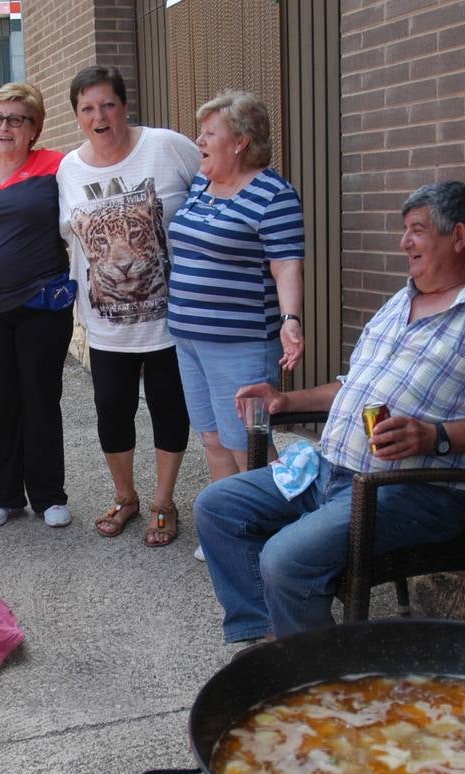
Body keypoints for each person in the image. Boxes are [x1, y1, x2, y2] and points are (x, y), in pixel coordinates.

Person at [195, 182, 465, 643]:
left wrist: (435, 437)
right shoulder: (399, 302)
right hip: (329, 471)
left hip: (413, 491)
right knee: (217, 507)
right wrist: (285, 401)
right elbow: (352, 386)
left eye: (416, 230)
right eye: (404, 230)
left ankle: (322, 674)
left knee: (285, 560)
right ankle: (268, 637)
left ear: (459, 237)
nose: (403, 242)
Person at [57, 66, 200, 547]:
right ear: (77, 116)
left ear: (124, 105)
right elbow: (68, 238)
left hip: (172, 319)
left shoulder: (167, 147)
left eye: (108, 105)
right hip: (106, 324)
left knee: (168, 408)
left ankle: (163, 499)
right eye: (88, 108)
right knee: (111, 411)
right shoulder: (69, 170)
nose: (100, 116)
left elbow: (215, 191)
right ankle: (125, 496)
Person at [167, 90, 304, 561]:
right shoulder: (202, 186)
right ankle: (229, 527)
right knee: (212, 437)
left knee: (251, 444)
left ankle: (279, 534)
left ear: (241, 142)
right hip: (188, 338)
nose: (199, 140)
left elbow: (286, 264)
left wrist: (290, 319)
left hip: (241, 343)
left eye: (209, 133)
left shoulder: (273, 194)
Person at [0, 82, 74, 529]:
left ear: (34, 128)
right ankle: (3, 495)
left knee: (40, 398)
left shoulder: (57, 167)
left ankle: (48, 496)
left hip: (43, 302)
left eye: (16, 119)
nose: (5, 127)